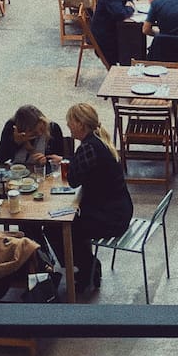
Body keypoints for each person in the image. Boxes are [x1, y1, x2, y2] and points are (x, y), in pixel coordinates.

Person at [59, 103, 133, 293]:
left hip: (110, 218)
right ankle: (87, 267)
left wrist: (69, 160)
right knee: (72, 224)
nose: (67, 124)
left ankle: (88, 269)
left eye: (70, 121)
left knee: (62, 228)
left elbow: (73, 180)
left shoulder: (87, 148)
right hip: (119, 211)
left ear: (81, 124)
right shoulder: (99, 140)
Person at [90, 0, 136, 64]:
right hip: (106, 36)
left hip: (114, 28)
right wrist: (131, 8)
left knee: (135, 39)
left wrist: (129, 3)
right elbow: (120, 14)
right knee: (132, 44)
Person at [0, 105, 65, 167]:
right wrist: (15, 142)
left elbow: (59, 159)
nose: (40, 133)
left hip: (42, 174)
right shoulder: (11, 127)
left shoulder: (53, 128)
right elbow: (1, 158)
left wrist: (45, 161)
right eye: (34, 133)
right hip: (17, 171)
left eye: (41, 128)